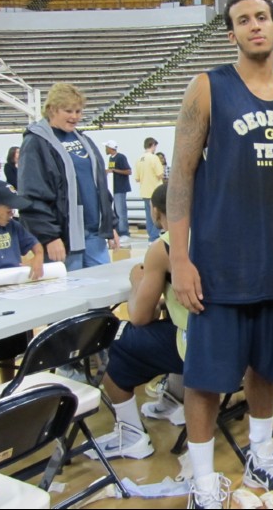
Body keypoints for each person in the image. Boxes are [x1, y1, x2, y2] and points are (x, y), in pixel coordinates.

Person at [168, 0, 273, 509]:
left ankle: (261, 457)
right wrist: (180, 259)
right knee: (205, 380)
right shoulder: (207, 87)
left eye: (262, 17)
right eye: (243, 20)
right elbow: (180, 175)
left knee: (266, 371)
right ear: (231, 33)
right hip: (218, 263)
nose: (254, 26)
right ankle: (203, 484)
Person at [84, 183, 187, 461]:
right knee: (170, 322)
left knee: (108, 339)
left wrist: (137, 283)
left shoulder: (164, 246)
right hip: (234, 344)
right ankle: (174, 401)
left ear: (155, 212)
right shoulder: (216, 234)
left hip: (196, 346)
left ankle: (130, 434)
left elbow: (140, 317)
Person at [18, 82, 118, 271]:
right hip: (64, 237)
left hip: (94, 234)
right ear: (52, 109)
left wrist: (109, 224)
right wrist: (49, 236)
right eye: (68, 110)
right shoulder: (35, 143)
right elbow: (32, 194)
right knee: (70, 296)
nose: (75, 116)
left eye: (78, 111)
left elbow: (100, 186)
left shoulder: (84, 140)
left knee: (103, 290)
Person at [0, 180, 44, 388]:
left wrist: (38, 256)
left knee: (10, 351)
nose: (11, 213)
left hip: (13, 298)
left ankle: (9, 391)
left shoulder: (13, 227)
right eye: (8, 209)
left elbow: (35, 245)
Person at [134, 137, 163, 243]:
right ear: (153, 145)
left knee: (148, 215)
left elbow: (137, 178)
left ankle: (151, 235)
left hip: (144, 191)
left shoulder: (139, 159)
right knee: (157, 214)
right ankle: (155, 236)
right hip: (154, 191)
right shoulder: (154, 158)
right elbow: (160, 174)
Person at [104, 140, 132, 244]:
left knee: (121, 212)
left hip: (120, 188)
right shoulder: (111, 158)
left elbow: (128, 171)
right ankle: (119, 232)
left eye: (106, 147)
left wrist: (114, 170)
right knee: (116, 212)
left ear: (110, 148)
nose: (105, 149)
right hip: (113, 188)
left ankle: (125, 233)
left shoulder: (121, 157)